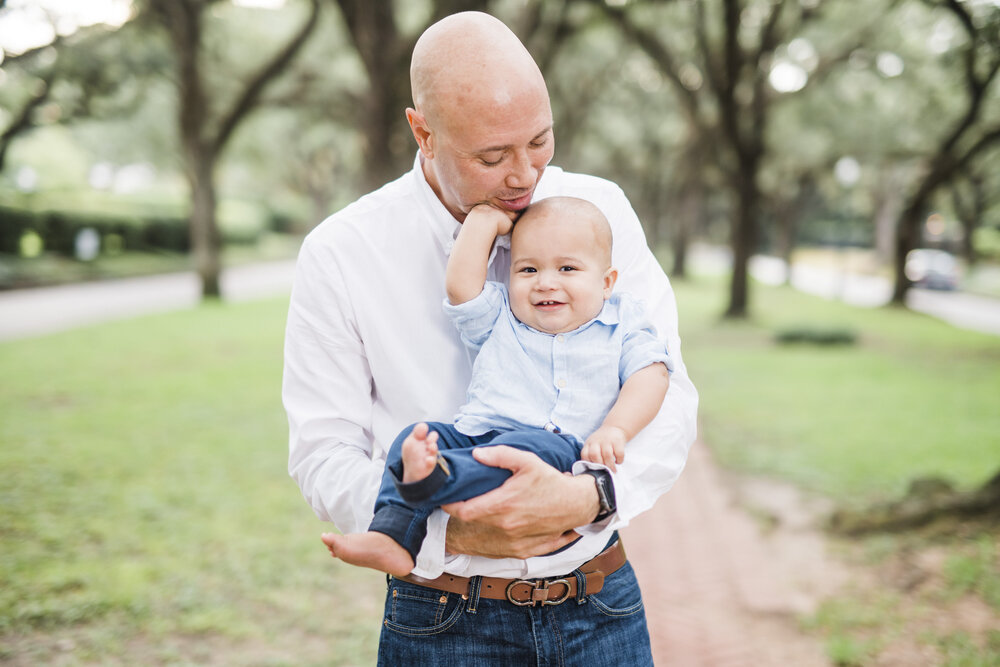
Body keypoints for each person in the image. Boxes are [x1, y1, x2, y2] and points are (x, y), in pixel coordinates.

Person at [282, 10, 698, 665]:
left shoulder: (601, 211)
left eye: (540, 140)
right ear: (423, 132)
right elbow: (322, 451)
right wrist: (457, 524)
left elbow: (668, 390)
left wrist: (589, 496)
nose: (525, 175)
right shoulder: (342, 253)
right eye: (493, 156)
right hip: (442, 619)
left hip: (601, 603)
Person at [321, 197, 672, 578]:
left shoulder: (622, 320)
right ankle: (392, 535)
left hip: (553, 447)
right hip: (473, 436)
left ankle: (436, 477)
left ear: (606, 282)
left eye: (567, 268)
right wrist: (482, 223)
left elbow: (651, 374)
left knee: (521, 448)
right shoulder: (501, 315)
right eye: (528, 269)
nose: (546, 282)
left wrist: (615, 428)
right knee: (416, 437)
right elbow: (460, 286)